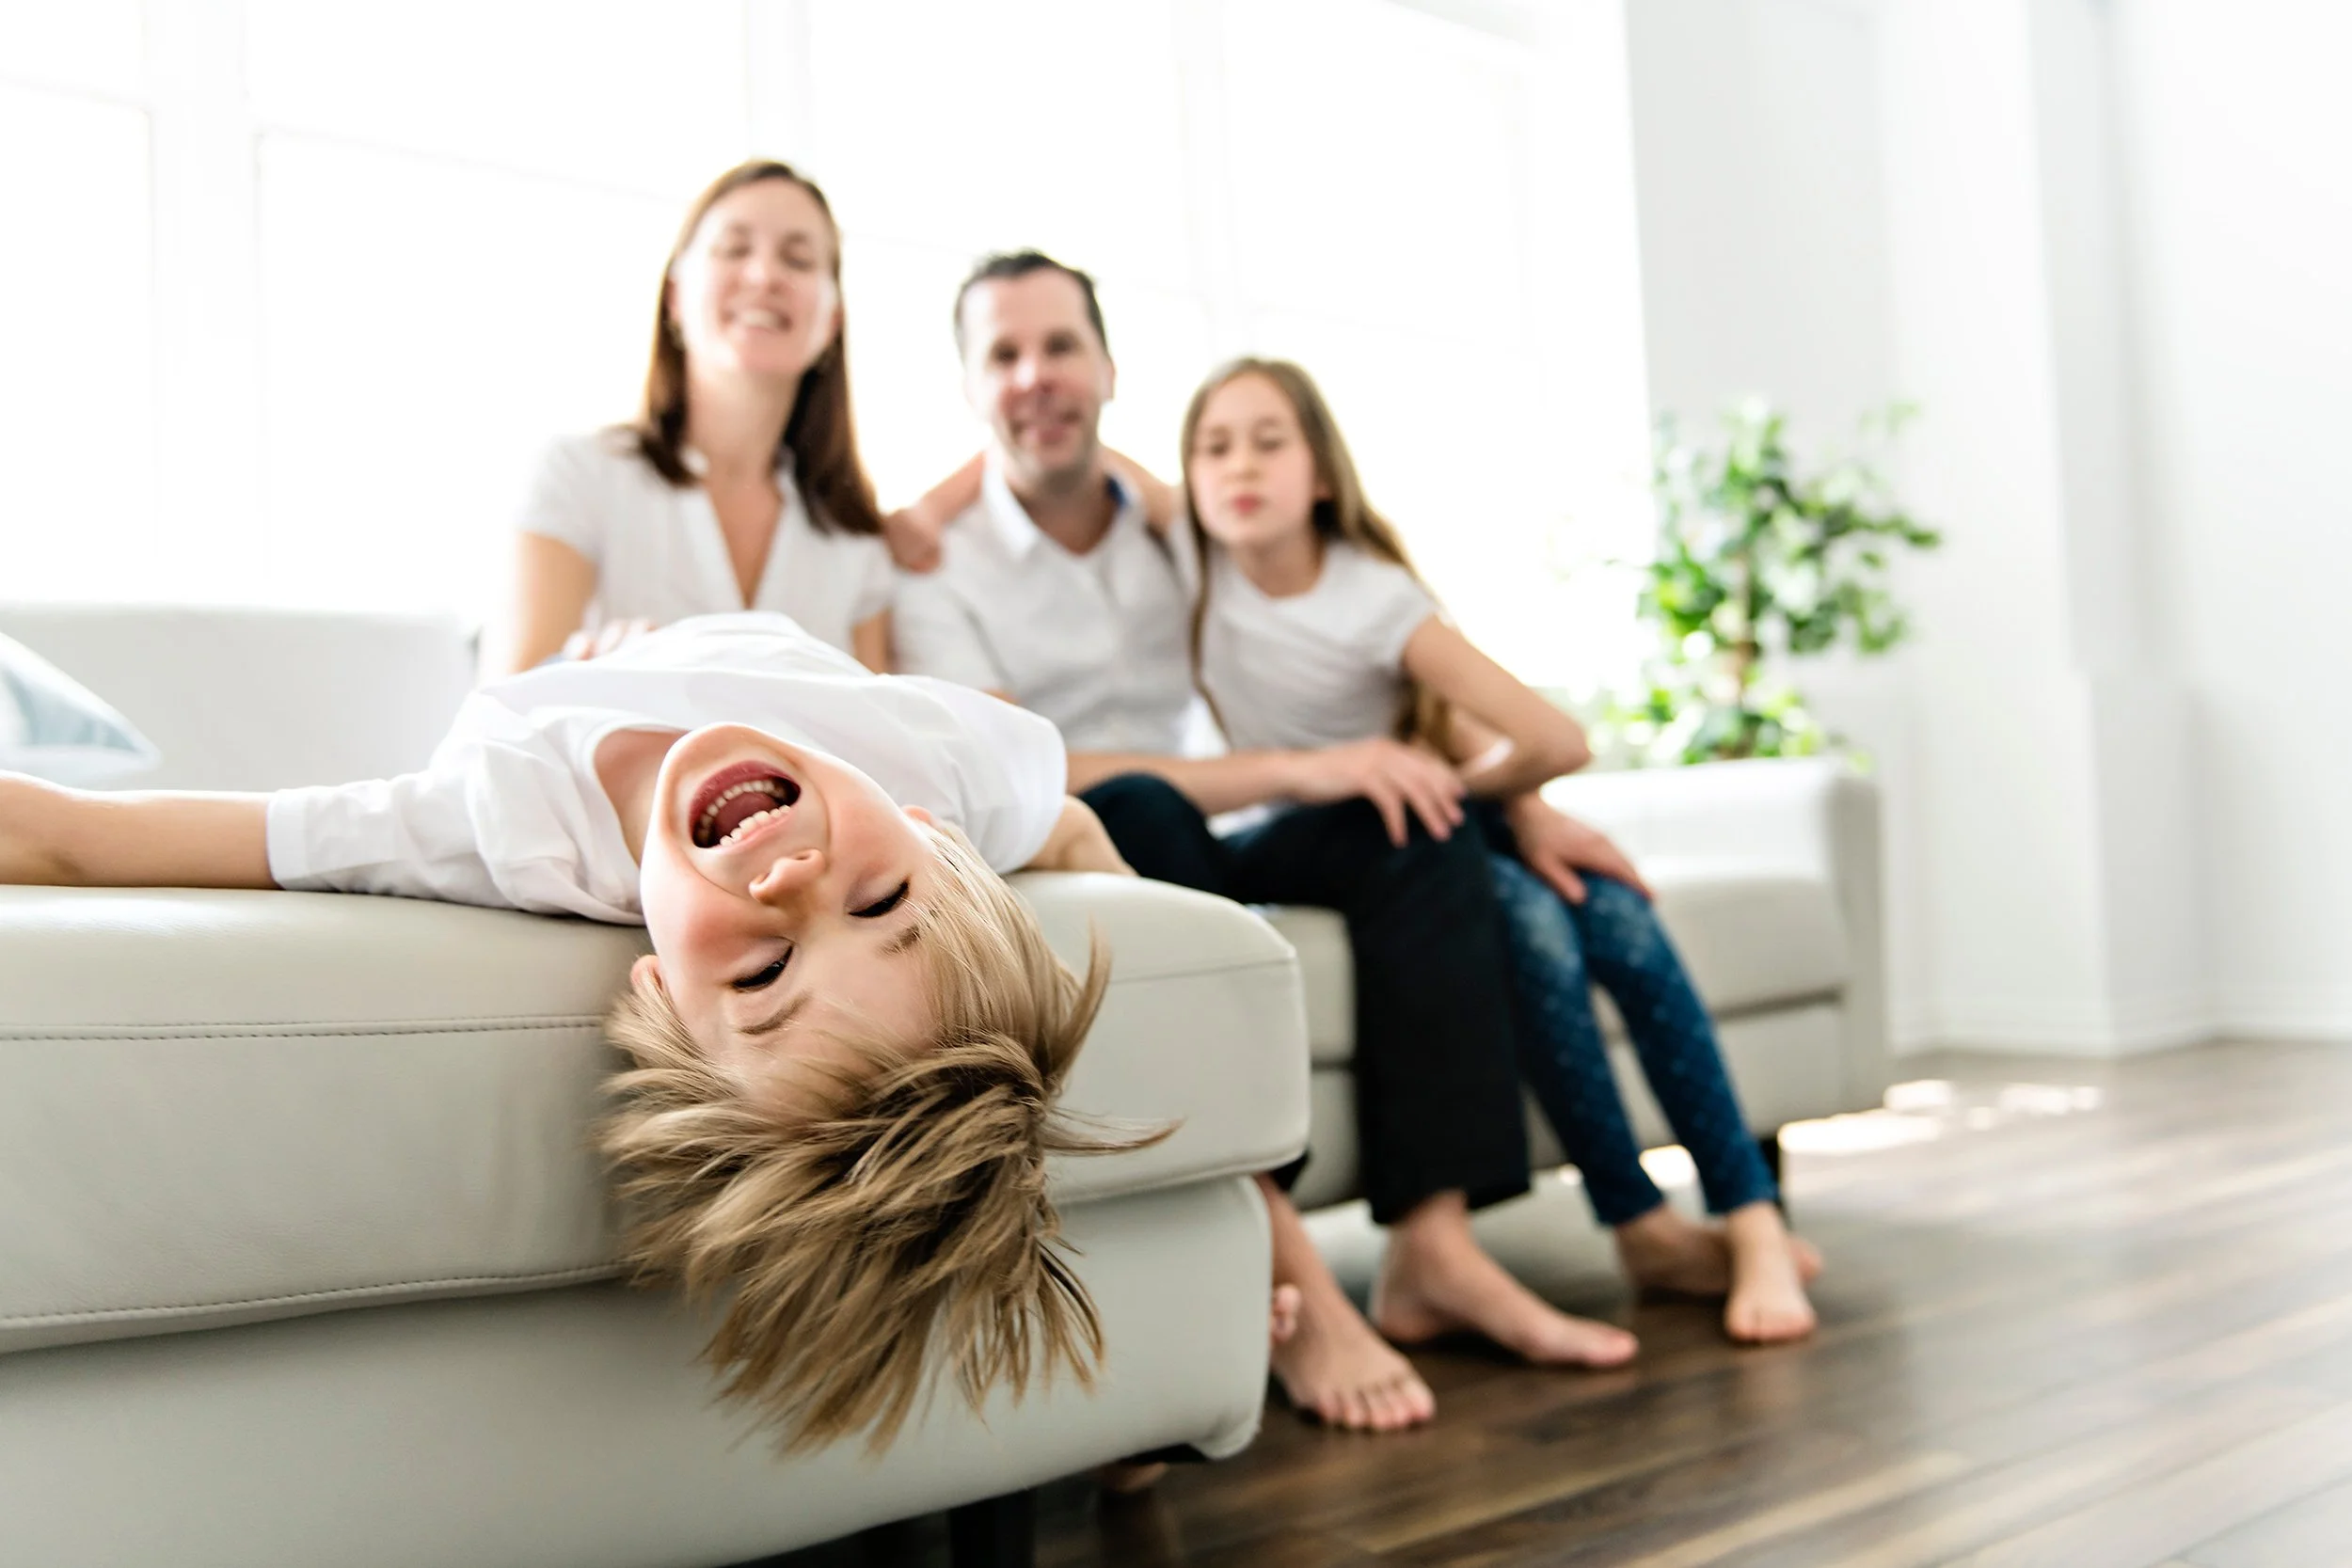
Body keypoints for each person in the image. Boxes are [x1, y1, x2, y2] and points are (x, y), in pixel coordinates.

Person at [0, 611, 1151, 1450]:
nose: (798, 878)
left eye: (761, 972)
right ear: (926, 834)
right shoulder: (943, 767)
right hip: (679, 634)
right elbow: (1083, 829)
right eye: (881, 902)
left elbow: (79, 840)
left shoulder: (498, 824)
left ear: (656, 990)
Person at [895, 252, 1640, 1435]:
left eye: (1060, 347)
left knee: (1415, 819)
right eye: (1003, 354)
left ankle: (1433, 1246)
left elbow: (1354, 618)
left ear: (1108, 368)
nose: (1037, 377)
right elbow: (1023, 770)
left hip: (1209, 834)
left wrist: (1512, 794)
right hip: (1074, 852)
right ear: (968, 384)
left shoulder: (1174, 520)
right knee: (1138, 800)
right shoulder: (933, 567)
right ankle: (1285, 1261)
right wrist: (1303, 766)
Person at [1182, 356, 1820, 1344]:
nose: (1238, 467)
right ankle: (1639, 1220)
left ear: (1320, 473)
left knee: (1615, 913)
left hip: (1409, 820)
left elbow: (1554, 741)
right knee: (1528, 919)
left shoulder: (1370, 595)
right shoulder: (1188, 557)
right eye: (1212, 447)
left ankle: (1749, 1213)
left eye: (1270, 441)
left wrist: (1459, 788)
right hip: (1293, 833)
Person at [484, 162, 899, 676]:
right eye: (734, 249)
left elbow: (878, 737)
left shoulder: (854, 541)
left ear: (832, 322)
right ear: (676, 296)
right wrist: (590, 674)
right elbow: (505, 707)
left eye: (798, 259)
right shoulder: (578, 474)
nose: (764, 275)